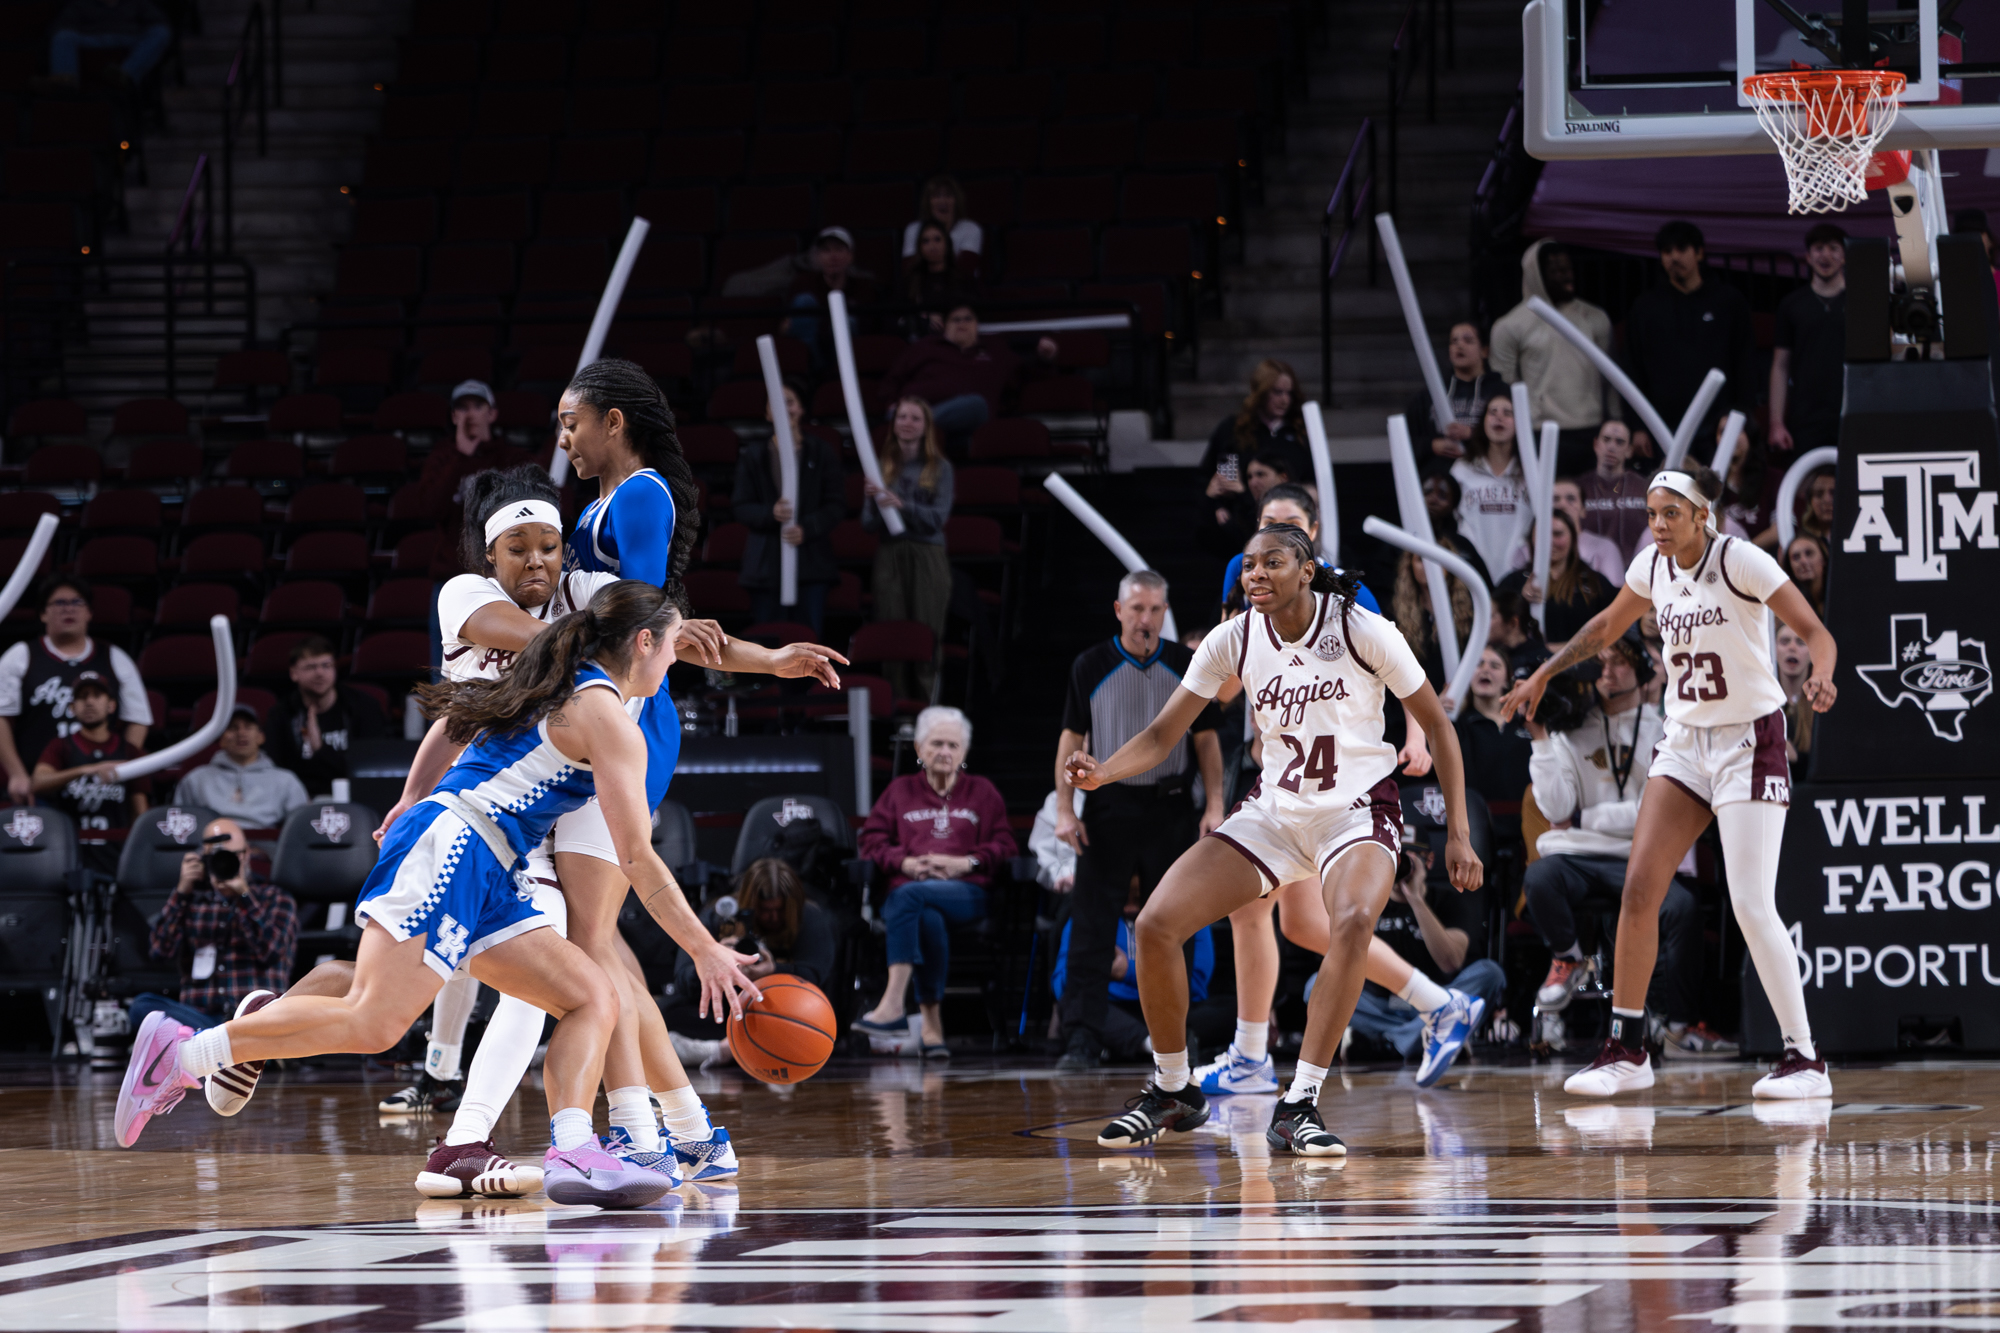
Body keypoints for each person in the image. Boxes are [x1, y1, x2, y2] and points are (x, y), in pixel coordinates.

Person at [113, 581, 753, 1215]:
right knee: (377, 1023)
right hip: (458, 844)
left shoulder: (555, 669)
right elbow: (638, 857)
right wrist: (705, 951)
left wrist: (414, 793)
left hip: (489, 862)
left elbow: (455, 718)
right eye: (672, 647)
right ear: (643, 642)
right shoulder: (607, 714)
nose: (674, 662)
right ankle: (186, 1053)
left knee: (591, 996)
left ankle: (574, 1150)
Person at [1070, 525, 1480, 1155]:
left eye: (1272, 562)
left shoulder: (1360, 628)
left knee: (1349, 921)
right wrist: (1101, 772)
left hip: (1357, 809)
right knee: (1154, 926)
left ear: (1307, 570)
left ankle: (1300, 1103)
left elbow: (1439, 729)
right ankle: (1174, 1088)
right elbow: (1160, 737)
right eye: (1249, 566)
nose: (1255, 574)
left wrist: (1458, 833)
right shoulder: (1232, 638)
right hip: (1274, 812)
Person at [1500, 464, 1839, 1100]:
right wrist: (1545, 672)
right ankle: (1627, 1048)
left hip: (1748, 740)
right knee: (1638, 891)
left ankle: (1804, 1059)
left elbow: (1818, 632)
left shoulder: (1740, 561)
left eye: (1670, 514)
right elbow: (1605, 626)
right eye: (1651, 514)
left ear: (1701, 516)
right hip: (1684, 742)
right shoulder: (1651, 569)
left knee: (1749, 903)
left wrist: (1820, 675)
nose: (1657, 525)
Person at [1520, 632, 1734, 1060]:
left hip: (1640, 855)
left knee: (1683, 907)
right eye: (1600, 662)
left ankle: (1678, 1028)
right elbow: (1556, 807)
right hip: (1577, 856)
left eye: (1618, 662)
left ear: (1641, 672)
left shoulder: (1667, 730)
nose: (1606, 671)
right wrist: (1540, 737)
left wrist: (1585, 817)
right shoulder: (1569, 729)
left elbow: (1649, 812)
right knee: (1539, 877)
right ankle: (1569, 958)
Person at [1052, 571, 1226, 1071]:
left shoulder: (1186, 662)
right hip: (1109, 805)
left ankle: (1177, 1038)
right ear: (1119, 610)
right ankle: (1082, 1038)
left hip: (1171, 806)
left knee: (1176, 922)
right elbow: (1071, 737)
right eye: (1137, 609)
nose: (1145, 619)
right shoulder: (1090, 664)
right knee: (1090, 923)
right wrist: (1065, 807)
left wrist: (1214, 805)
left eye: (1154, 610)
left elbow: (1207, 741)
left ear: (1164, 611)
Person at [853, 706, 1017, 1057]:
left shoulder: (983, 792)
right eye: (937, 743)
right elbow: (871, 840)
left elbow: (1005, 845)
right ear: (919, 749)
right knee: (926, 915)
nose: (945, 752)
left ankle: (894, 1003)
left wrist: (964, 863)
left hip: (967, 893)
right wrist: (906, 863)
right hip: (913, 893)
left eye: (953, 745)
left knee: (908, 899)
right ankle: (932, 1027)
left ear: (964, 752)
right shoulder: (899, 792)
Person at [128, 817, 298, 1033]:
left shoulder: (274, 898)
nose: (223, 863)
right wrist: (181, 893)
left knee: (265, 1027)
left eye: (230, 856)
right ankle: (219, 1048)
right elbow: (159, 952)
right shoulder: (192, 901)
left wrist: (243, 895)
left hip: (255, 1019)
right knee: (143, 1007)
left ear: (246, 855)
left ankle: (208, 1048)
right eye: (215, 857)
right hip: (201, 1018)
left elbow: (271, 951)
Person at [1351, 826, 1504, 1062]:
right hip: (1384, 1006)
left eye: (1408, 859)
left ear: (1429, 861)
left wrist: (1416, 901)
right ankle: (1431, 1037)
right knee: (1316, 985)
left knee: (1490, 973)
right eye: (1393, 857)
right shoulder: (1367, 904)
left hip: (1438, 1001)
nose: (1399, 867)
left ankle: (1394, 1043)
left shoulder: (1448, 900)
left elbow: (1450, 962)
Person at [667, 858, 838, 1068]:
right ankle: (728, 1047)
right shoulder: (719, 915)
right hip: (727, 1012)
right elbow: (682, 979)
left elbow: (816, 975)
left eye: (780, 910)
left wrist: (774, 971)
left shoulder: (809, 916)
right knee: (661, 1013)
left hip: (785, 1012)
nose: (773, 917)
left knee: (814, 1013)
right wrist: (713, 958)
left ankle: (720, 1049)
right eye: (765, 910)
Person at [0, 575, 152, 805]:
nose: (68, 609)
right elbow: (1, 719)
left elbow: (138, 719)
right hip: (38, 786)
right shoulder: (20, 655)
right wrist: (17, 774)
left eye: (77, 602)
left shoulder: (114, 657)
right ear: (43, 614)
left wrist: (119, 767)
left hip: (100, 789)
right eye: (59, 603)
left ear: (89, 613)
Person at [1489, 241, 1621, 475]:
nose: (1566, 277)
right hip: (1539, 431)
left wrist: (1616, 421)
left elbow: (1610, 380)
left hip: (1590, 429)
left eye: (1568, 269)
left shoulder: (1594, 318)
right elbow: (1504, 387)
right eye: (1557, 271)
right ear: (1537, 275)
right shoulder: (1511, 325)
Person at [1623, 221, 1759, 448]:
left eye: (1681, 249)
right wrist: (1637, 426)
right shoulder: (1645, 307)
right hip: (1661, 427)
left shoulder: (1728, 301)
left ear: (1699, 253)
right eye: (1667, 251)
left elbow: (1744, 362)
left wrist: (1740, 415)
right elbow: (1633, 368)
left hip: (1717, 426)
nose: (1674, 257)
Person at [735, 381, 845, 635]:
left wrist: (807, 528)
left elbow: (836, 504)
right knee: (768, 640)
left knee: (808, 640)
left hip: (811, 564)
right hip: (765, 567)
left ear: (802, 408)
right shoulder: (755, 455)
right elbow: (741, 506)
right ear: (767, 413)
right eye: (777, 403)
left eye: (791, 401)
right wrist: (769, 513)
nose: (785, 408)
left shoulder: (820, 452)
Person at [863, 397, 954, 702]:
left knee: (926, 631)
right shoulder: (881, 466)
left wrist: (903, 505)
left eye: (915, 418)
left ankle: (927, 708)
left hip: (926, 555)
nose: (907, 423)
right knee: (892, 632)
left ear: (926, 426)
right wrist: (876, 502)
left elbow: (938, 519)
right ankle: (898, 709)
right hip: (890, 556)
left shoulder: (939, 467)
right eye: (902, 416)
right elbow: (866, 523)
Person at [880, 302, 1058, 448]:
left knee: (976, 404)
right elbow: (893, 379)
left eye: (968, 319)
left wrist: (1045, 357)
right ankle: (913, 423)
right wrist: (890, 403)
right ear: (945, 325)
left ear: (976, 324)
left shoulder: (996, 350)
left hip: (968, 415)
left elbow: (1028, 373)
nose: (961, 323)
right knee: (903, 411)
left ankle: (912, 428)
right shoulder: (924, 347)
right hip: (915, 407)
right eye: (955, 319)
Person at [1052, 917, 1219, 1062]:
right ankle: (1159, 1047)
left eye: (1137, 896)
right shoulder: (1090, 910)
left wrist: (1127, 972)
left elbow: (1196, 983)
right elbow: (1062, 983)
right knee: (1075, 1005)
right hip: (1113, 1009)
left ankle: (1137, 1045)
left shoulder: (1186, 908)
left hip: (1169, 1007)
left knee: (1232, 1008)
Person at [32, 670, 148, 872]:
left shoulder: (129, 751)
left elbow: (140, 812)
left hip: (117, 854)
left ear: (111, 705)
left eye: (97, 695)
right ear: (72, 708)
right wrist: (86, 770)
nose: (89, 702)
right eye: (82, 697)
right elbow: (38, 783)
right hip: (69, 853)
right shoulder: (61, 746)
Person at [415, 380, 530, 577]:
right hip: (452, 574)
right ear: (454, 416)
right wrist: (461, 458)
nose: (470, 415)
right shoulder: (441, 459)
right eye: (462, 408)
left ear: (492, 413)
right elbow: (429, 510)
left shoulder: (513, 458)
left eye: (478, 406)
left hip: (503, 575)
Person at [1199, 358, 1308, 557]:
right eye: (1277, 392)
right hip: (1238, 527)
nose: (1285, 400)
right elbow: (1210, 475)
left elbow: (1311, 482)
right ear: (1261, 392)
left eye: (1289, 393)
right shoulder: (1233, 430)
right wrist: (1217, 501)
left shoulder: (1300, 432)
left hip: (1288, 527)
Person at [263, 636, 389, 797]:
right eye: (311, 667)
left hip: (356, 793)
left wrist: (320, 748)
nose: (320, 673)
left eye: (326, 665)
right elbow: (276, 770)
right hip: (301, 798)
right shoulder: (282, 714)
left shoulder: (363, 707)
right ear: (294, 673)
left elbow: (370, 765)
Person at [1768, 223, 1847, 454]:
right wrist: (1776, 422)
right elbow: (1780, 366)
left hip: (1849, 411)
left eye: (1833, 248)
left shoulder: (1860, 302)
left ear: (1844, 256)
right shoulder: (1792, 304)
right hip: (1805, 416)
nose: (1826, 255)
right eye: (1819, 248)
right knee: (1806, 486)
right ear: (1808, 257)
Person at [171, 706, 310, 829]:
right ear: (222, 739)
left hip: (267, 850)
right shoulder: (196, 779)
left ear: (261, 737)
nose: (241, 733)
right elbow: (180, 826)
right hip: (213, 846)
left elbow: (301, 828)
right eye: (233, 727)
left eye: (248, 727)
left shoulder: (286, 780)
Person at [1496, 509, 1616, 648]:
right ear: (1531, 539)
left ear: (1573, 538)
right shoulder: (1513, 583)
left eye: (1558, 534)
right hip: (1529, 666)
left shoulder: (1595, 584)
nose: (1550, 542)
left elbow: (1614, 631)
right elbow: (1495, 632)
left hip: (1582, 664)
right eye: (1542, 535)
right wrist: (1518, 601)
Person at [1450, 392, 1530, 578]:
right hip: (1471, 570)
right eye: (1492, 412)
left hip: (1519, 574)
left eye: (1507, 413)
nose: (1499, 417)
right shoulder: (1462, 469)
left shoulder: (1531, 472)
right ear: (1483, 422)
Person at [1454, 646, 1533, 821]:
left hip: (1527, 820)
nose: (1485, 670)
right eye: (1478, 664)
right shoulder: (1457, 725)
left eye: (1495, 666)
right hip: (1477, 820)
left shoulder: (1526, 723)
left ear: (1507, 681)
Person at [1389, 538, 1478, 692]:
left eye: (1436, 560)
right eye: (1420, 560)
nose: (1429, 566)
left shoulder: (1468, 611)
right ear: (1410, 566)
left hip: (1460, 696)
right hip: (1413, 698)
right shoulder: (1396, 612)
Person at [1407, 322, 1506, 462]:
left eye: (1468, 340)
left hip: (1486, 471)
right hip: (1440, 474)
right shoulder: (1428, 395)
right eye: (1454, 341)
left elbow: (1514, 436)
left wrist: (1472, 433)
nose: (1459, 346)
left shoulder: (1500, 392)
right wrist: (1432, 445)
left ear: (1484, 351)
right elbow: (1407, 440)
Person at [786, 226, 877, 371]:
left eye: (838, 249)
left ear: (850, 255)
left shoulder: (864, 287)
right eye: (826, 250)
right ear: (817, 256)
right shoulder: (802, 284)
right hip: (812, 351)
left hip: (848, 354)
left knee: (848, 321)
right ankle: (811, 370)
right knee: (804, 301)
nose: (832, 256)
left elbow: (870, 327)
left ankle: (842, 372)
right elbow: (785, 326)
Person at [1507, 477, 1626, 585]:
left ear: (1583, 510)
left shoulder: (1605, 548)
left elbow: (1613, 596)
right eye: (1555, 499)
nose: (1562, 504)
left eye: (1571, 499)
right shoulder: (1527, 549)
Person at [46, 0, 172, 88]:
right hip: (92, 40)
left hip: (128, 39)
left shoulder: (137, 2)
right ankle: (65, 82)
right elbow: (63, 24)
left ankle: (125, 75)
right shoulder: (81, 3)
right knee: (63, 37)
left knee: (160, 33)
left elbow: (157, 21)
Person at [1576, 420, 1652, 561]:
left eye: (1619, 442)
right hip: (1589, 570)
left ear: (1629, 450)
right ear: (1596, 445)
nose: (1611, 447)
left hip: (1638, 570)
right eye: (1606, 440)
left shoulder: (1644, 487)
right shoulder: (1577, 488)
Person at [902, 219, 977, 322]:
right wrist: (925, 319)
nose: (932, 246)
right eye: (926, 241)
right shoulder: (911, 280)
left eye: (937, 239)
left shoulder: (962, 278)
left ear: (947, 243)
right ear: (920, 247)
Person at [901, 174, 982, 263]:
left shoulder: (970, 228)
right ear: (928, 202)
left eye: (948, 195)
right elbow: (910, 270)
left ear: (956, 201)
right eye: (936, 196)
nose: (943, 201)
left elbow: (965, 270)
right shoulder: (914, 229)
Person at [1774, 623, 1816, 763]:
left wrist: (1795, 757)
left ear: (1812, 654)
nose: (1792, 648)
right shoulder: (1764, 703)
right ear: (1773, 650)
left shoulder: (1820, 706)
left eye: (1801, 642)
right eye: (1784, 642)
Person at [1488, 586, 1548, 674]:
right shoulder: (1488, 656)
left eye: (1491, 616)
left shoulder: (1539, 662)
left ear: (1513, 623)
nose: (1484, 622)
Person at [1782, 532, 1829, 618]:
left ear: (1824, 559)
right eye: (1796, 557)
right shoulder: (1785, 603)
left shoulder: (1841, 597)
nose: (1803, 561)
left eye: (1809, 553)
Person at [1795, 467, 1836, 546]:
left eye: (1834, 493)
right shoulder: (1800, 541)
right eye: (1819, 494)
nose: (1827, 500)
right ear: (1810, 502)